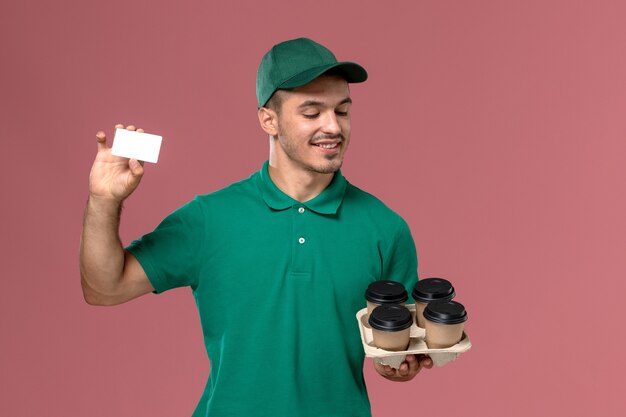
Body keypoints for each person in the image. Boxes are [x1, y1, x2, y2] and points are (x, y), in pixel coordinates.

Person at [80, 37, 432, 417]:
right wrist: (104, 200)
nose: (333, 126)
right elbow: (104, 288)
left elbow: (397, 348)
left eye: (342, 111)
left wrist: (396, 363)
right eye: (312, 113)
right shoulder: (209, 219)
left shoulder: (385, 228)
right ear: (269, 120)